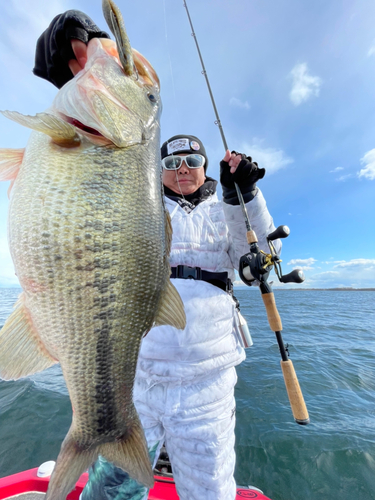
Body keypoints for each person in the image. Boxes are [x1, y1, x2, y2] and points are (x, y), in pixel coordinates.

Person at [33, 11, 281, 500]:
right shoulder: (138, 202)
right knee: (110, 490)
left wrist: (245, 196)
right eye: (171, 162)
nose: (183, 169)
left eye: (193, 161)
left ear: (206, 167)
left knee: (210, 489)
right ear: (158, 168)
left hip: (208, 384)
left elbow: (259, 257)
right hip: (135, 379)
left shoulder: (223, 208)